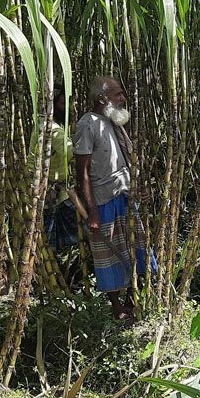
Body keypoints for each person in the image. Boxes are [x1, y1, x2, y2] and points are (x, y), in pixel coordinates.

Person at [75, 77, 155, 319]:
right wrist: (92, 211)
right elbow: (83, 173)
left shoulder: (114, 121)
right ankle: (117, 307)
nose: (123, 98)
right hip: (104, 199)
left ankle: (133, 299)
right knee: (108, 255)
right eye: (118, 94)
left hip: (126, 194)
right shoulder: (87, 125)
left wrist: (139, 187)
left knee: (135, 248)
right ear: (102, 99)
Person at [43, 87, 80, 251]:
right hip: (45, 190)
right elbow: (70, 151)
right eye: (62, 103)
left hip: (60, 188)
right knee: (47, 233)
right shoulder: (50, 128)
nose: (67, 108)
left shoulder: (57, 126)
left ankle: (64, 259)